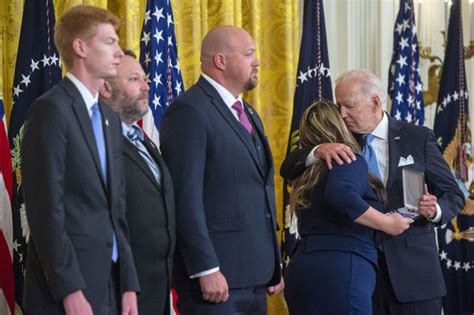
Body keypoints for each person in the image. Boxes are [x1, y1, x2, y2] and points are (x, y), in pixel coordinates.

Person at [281, 69, 465, 314]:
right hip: (360, 272)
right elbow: (288, 167)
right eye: (339, 107)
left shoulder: (416, 137)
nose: (342, 114)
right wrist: (319, 150)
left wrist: (436, 210)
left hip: (414, 277)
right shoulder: (340, 143)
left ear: (375, 102)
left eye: (349, 106)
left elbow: (454, 194)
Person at [21, 6, 139, 315]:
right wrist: (69, 289)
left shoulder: (110, 119)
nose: (118, 52)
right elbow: (46, 209)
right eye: (109, 43)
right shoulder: (51, 111)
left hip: (111, 285)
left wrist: (128, 284)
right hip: (66, 291)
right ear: (81, 47)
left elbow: (118, 210)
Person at [160, 25, 284, 314]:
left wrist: (273, 261)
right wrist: (205, 267)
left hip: (255, 277)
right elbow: (183, 197)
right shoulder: (190, 111)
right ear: (220, 61)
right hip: (216, 279)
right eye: (249, 53)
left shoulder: (249, 113)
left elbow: (259, 192)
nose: (257, 61)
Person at [283, 100, 412, 315]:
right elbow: (340, 195)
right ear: (338, 126)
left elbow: (288, 168)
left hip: (303, 269)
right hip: (343, 270)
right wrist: (386, 223)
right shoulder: (348, 159)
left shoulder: (306, 171)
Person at [99, 49, 176, 315]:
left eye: (144, 79)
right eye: (134, 79)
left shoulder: (143, 140)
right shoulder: (94, 142)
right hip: (117, 293)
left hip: (158, 290)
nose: (146, 86)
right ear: (105, 87)